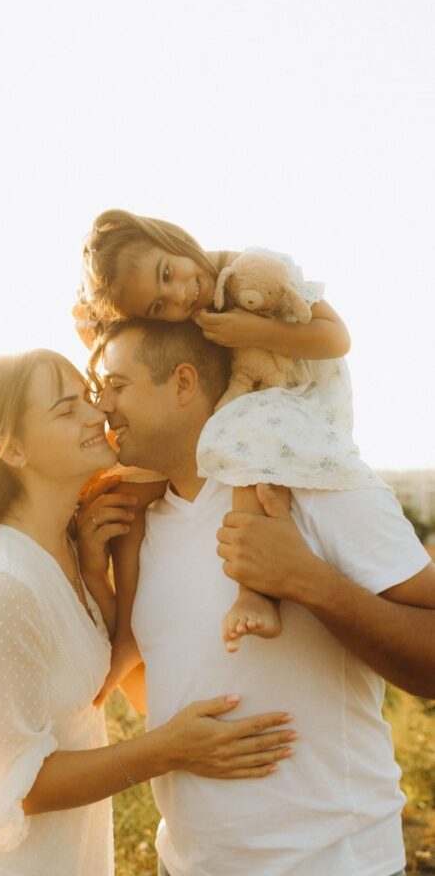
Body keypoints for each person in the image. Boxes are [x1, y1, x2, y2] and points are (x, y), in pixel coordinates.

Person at [0, 348, 297, 876]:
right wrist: (169, 749)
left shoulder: (65, 546)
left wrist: (92, 574)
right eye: (67, 410)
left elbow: (92, 681)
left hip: (65, 848)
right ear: (13, 450)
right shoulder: (2, 584)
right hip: (11, 860)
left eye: (88, 398)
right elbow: (19, 788)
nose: (96, 414)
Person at [79, 316, 435, 876]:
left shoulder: (312, 483)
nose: (104, 409)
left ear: (183, 382)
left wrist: (307, 581)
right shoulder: (147, 524)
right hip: (190, 864)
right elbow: (164, 696)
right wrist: (99, 587)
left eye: (117, 386)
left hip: (332, 863)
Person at [75, 208, 386, 706]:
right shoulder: (176, 314)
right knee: (126, 491)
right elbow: (150, 357)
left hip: (290, 392)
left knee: (240, 449)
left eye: (168, 273)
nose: (179, 294)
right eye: (158, 303)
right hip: (237, 397)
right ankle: (129, 631)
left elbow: (335, 338)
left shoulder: (251, 269)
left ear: (172, 237)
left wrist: (255, 333)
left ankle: (253, 591)